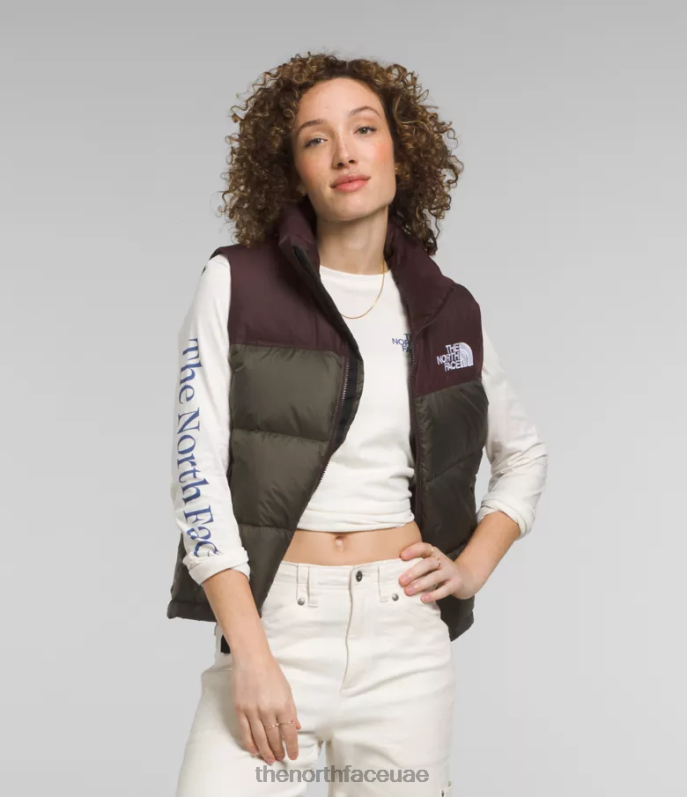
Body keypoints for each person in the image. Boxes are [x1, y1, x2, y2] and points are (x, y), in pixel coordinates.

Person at [168, 52, 548, 797]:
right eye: (316, 139)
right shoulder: (236, 283)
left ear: (401, 153)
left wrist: (471, 567)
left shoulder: (447, 309)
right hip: (276, 621)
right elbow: (196, 474)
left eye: (364, 129)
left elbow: (524, 455)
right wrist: (250, 652)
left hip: (403, 642)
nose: (344, 152)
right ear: (293, 171)